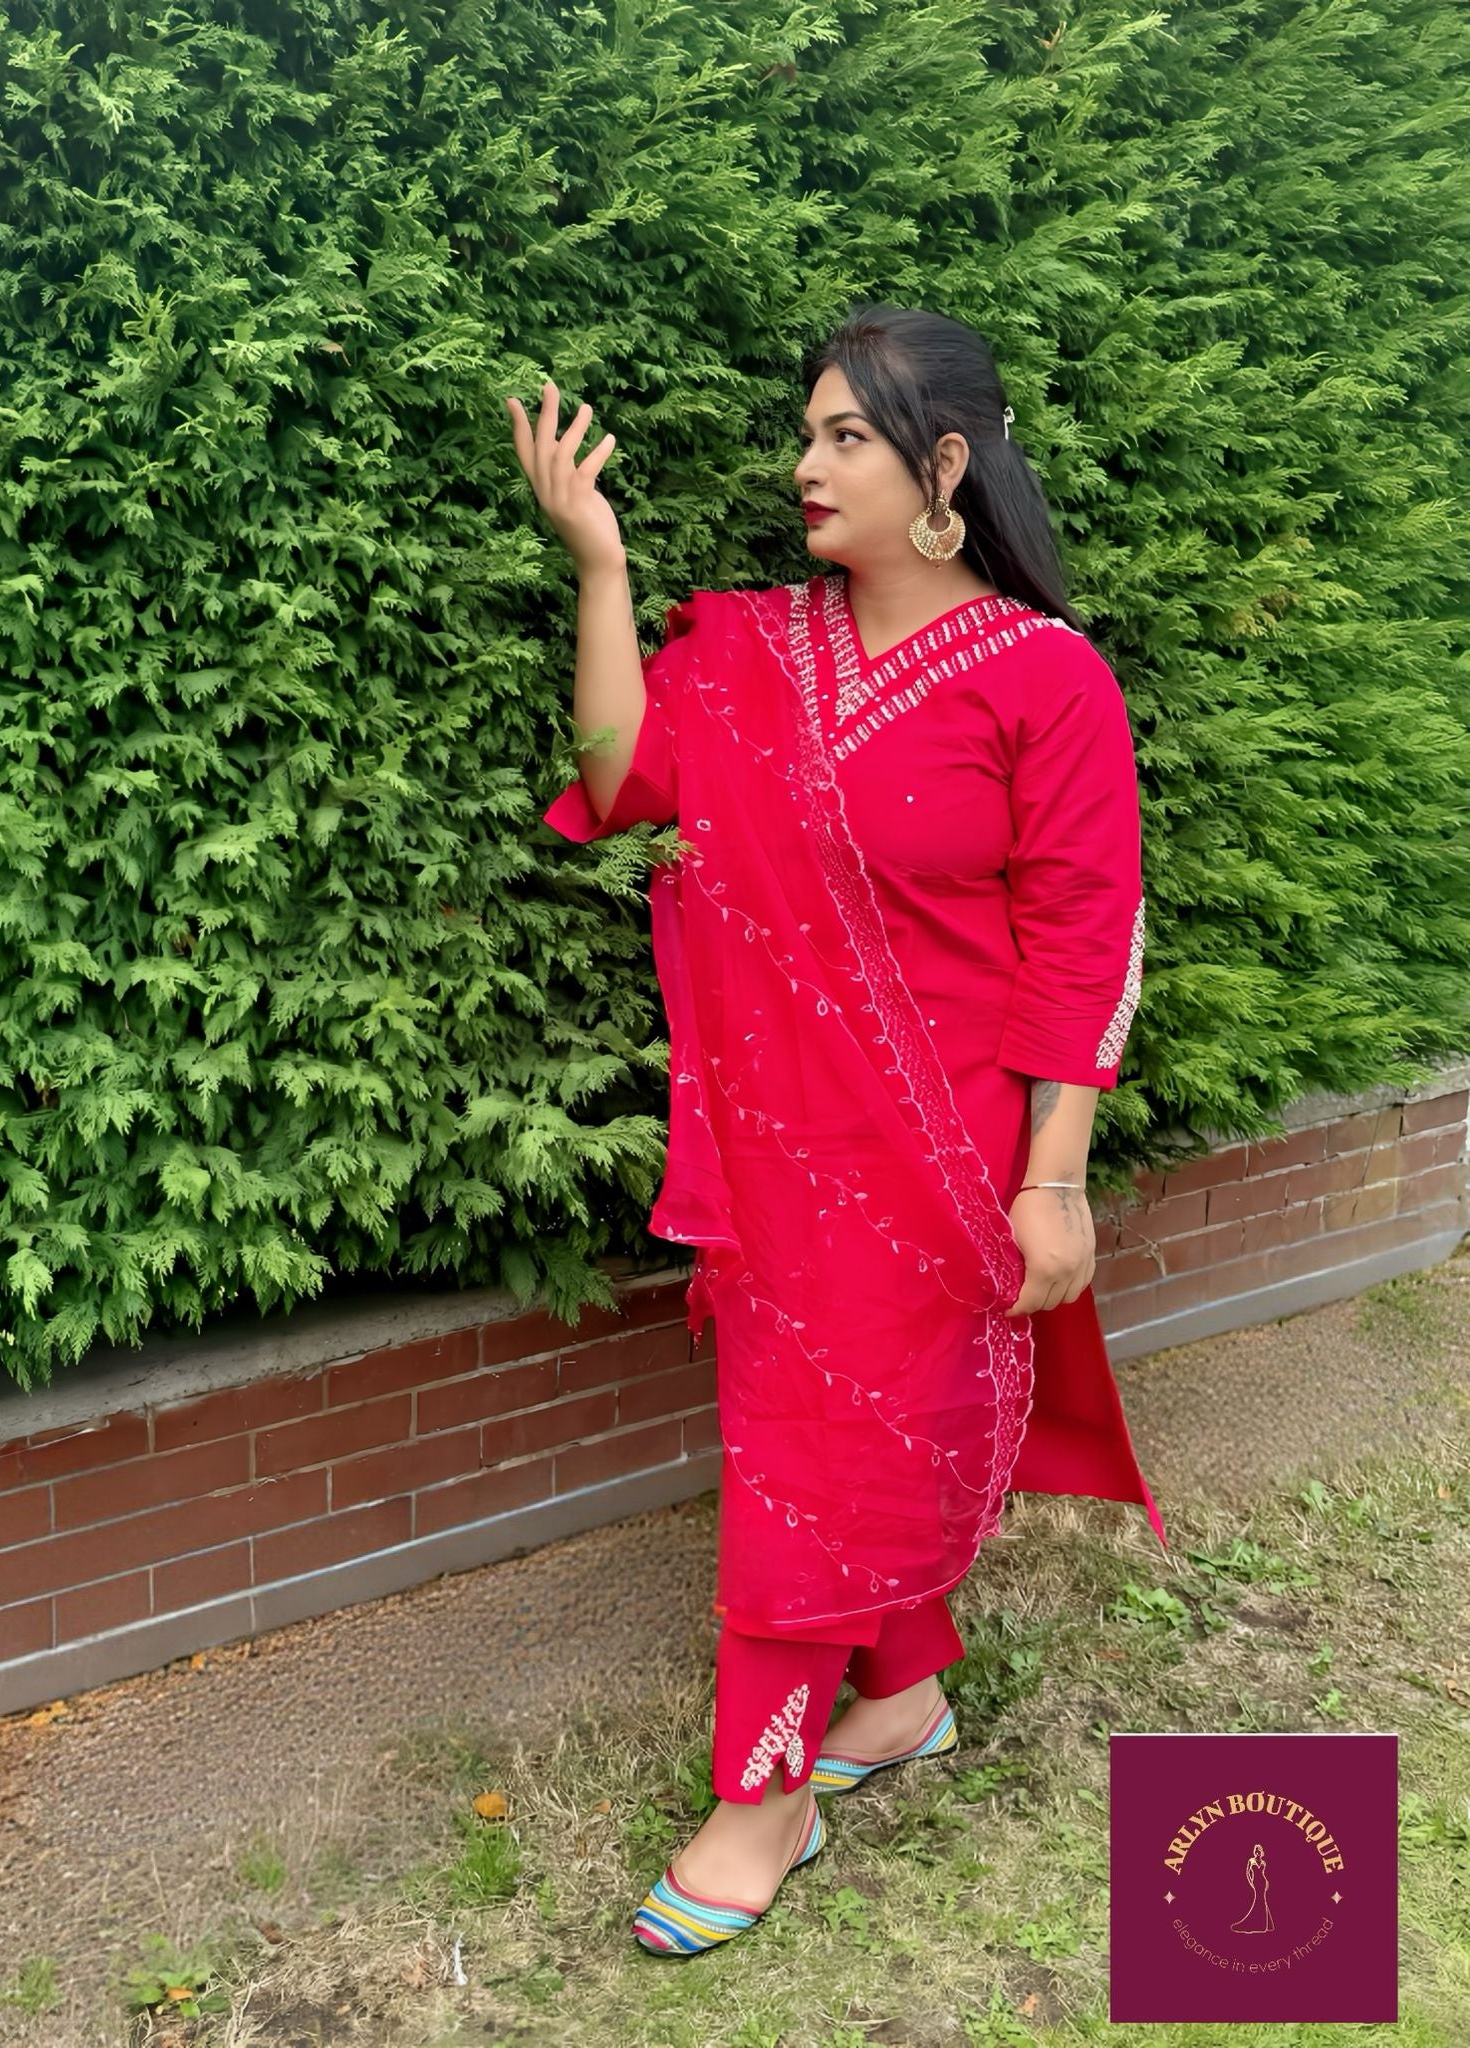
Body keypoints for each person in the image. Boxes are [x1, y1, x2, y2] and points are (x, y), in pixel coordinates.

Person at [505, 303, 1166, 1957]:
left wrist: (1055, 1181)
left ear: (942, 466)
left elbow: (1088, 940)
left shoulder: (1047, 678)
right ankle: (908, 1691)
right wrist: (600, 567)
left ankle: (766, 1796)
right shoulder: (753, 649)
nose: (805, 465)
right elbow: (621, 776)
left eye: (843, 438)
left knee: (823, 1461)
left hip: (944, 1151)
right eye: (807, 436)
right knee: (814, 1441)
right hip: (781, 1142)